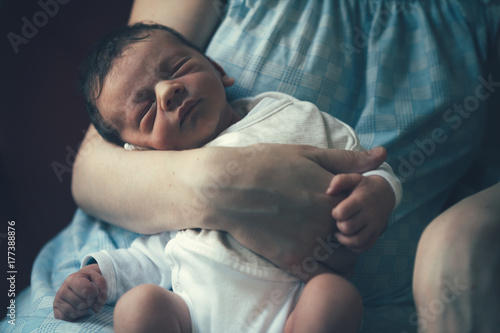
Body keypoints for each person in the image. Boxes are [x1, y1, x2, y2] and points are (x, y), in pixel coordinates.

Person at [53, 23, 402, 333]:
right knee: (139, 306)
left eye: (178, 68)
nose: (167, 92)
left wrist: (379, 193)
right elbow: (160, 255)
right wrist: (100, 276)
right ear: (140, 152)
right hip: (196, 320)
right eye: (145, 110)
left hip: (292, 312)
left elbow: (364, 163)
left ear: (218, 70)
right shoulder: (175, 181)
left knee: (335, 297)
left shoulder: (289, 115)